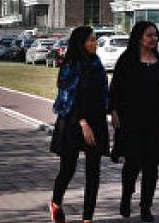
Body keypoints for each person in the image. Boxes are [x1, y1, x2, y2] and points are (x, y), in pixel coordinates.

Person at [110, 21, 159, 222]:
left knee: (151, 167)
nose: (154, 39)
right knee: (132, 164)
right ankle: (126, 196)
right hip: (131, 121)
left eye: (155, 35)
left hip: (155, 122)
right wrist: (114, 112)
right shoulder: (127, 60)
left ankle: (146, 207)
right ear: (139, 38)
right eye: (149, 35)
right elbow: (115, 88)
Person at [49, 25, 109, 223]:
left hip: (96, 121)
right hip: (73, 122)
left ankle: (87, 218)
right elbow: (65, 99)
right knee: (68, 168)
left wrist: (113, 111)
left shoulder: (97, 63)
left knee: (93, 172)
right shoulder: (71, 65)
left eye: (95, 39)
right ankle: (56, 202)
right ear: (81, 43)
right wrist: (82, 122)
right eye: (91, 40)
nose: (95, 43)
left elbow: (103, 93)